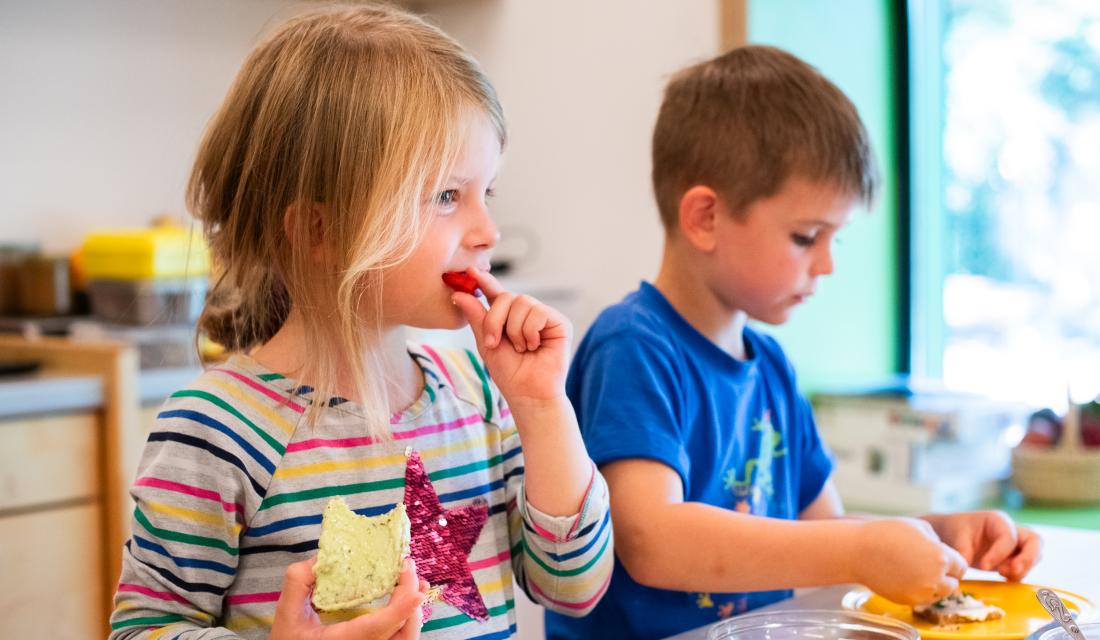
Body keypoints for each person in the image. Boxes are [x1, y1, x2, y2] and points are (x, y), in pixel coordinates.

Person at [109, 6, 611, 639]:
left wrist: (542, 407)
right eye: (447, 196)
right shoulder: (215, 431)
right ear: (320, 231)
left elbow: (572, 588)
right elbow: (143, 628)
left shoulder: (481, 396)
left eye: (487, 193)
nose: (489, 232)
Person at [544, 45, 1040, 640]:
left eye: (835, 239)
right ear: (705, 218)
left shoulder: (771, 366)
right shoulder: (633, 348)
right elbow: (652, 541)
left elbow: (823, 530)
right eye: (807, 236)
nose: (827, 265)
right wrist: (862, 549)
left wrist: (936, 536)